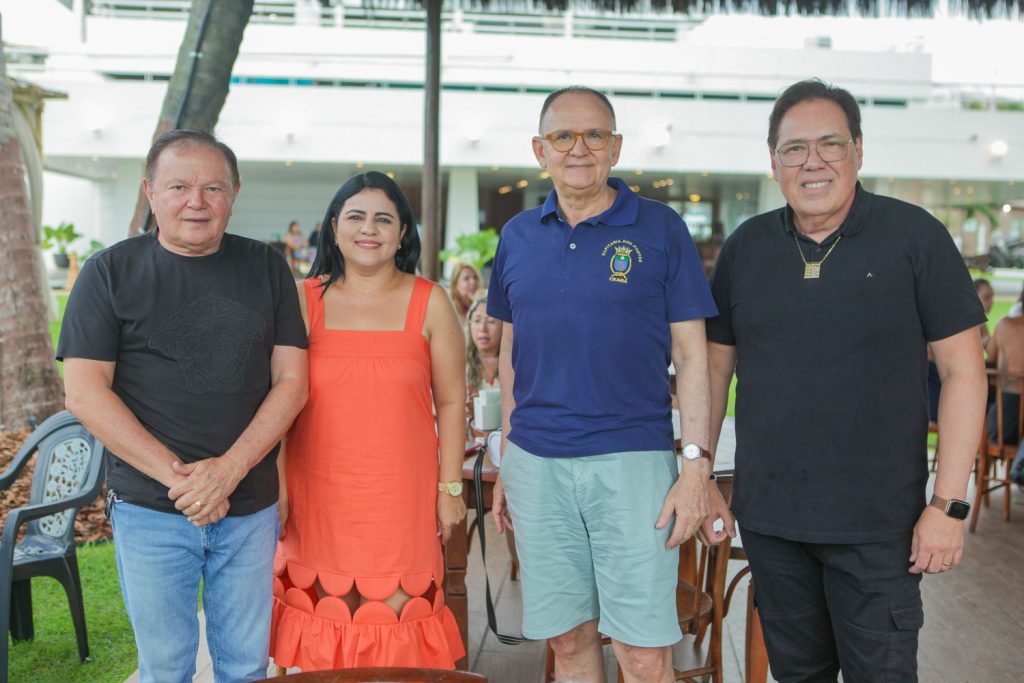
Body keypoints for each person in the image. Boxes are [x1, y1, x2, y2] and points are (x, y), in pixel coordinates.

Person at [705, 79, 987, 682]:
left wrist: (949, 505)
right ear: (773, 160)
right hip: (773, 523)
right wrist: (699, 470)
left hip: (881, 528)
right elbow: (714, 369)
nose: (813, 162)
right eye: (794, 148)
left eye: (830, 144)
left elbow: (964, 372)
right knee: (796, 676)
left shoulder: (916, 238)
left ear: (858, 150)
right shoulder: (745, 248)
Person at [57, 129, 309, 682]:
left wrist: (228, 472)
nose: (196, 201)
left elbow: (292, 381)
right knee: (166, 667)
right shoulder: (108, 273)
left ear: (234, 192)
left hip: (249, 508)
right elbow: (84, 391)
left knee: (246, 667)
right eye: (179, 186)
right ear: (151, 191)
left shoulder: (266, 267)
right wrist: (189, 482)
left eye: (213, 187)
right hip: (150, 506)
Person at [488, 86, 718, 683]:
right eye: (563, 136)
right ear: (541, 149)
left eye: (595, 135)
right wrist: (510, 456)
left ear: (616, 147)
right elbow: (512, 350)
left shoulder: (661, 229)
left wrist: (695, 468)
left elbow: (693, 356)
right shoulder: (516, 235)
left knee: (643, 652)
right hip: (538, 463)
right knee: (568, 640)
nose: (579, 147)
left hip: (633, 462)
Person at [269, 171, 467, 671]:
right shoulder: (300, 299)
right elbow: (274, 399)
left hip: (401, 503)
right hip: (316, 497)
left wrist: (450, 491)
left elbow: (450, 402)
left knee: (398, 639)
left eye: (384, 218)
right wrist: (277, 487)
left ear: (403, 233)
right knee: (323, 641)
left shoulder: (432, 301)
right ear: (333, 228)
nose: (369, 228)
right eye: (355, 216)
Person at [928, 277, 994, 420]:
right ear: (973, 296)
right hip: (938, 382)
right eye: (987, 297)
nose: (991, 302)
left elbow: (990, 353)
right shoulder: (956, 319)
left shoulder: (980, 324)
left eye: (992, 297)